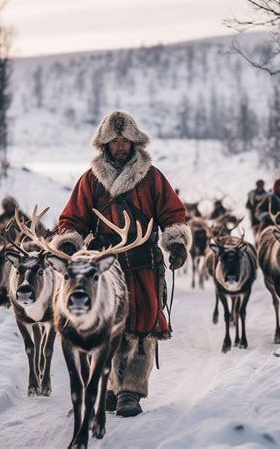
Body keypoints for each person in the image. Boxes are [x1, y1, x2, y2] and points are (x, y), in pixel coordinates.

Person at [52, 110, 191, 417]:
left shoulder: (151, 177)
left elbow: (172, 213)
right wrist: (69, 243)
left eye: (124, 139)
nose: (119, 145)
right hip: (103, 269)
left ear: (133, 142)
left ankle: (132, 391)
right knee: (107, 328)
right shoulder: (90, 180)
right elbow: (72, 218)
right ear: (105, 144)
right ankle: (111, 387)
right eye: (114, 140)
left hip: (142, 262)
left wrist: (177, 241)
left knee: (142, 327)